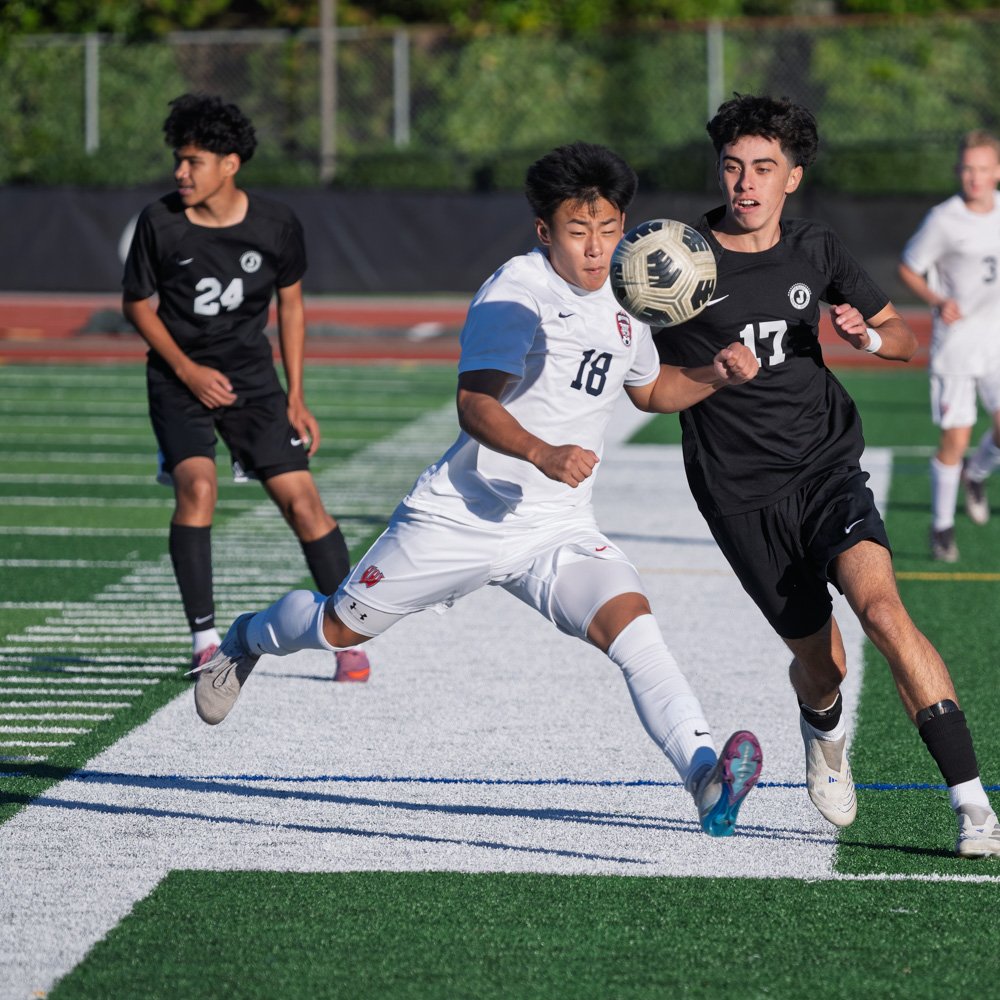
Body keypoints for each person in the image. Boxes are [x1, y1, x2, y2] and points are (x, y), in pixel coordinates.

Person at [191, 140, 765, 838]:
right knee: (340, 625)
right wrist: (541, 450)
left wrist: (715, 375)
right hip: (459, 520)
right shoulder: (515, 295)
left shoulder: (627, 293)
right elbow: (475, 405)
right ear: (543, 231)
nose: (595, 248)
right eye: (577, 232)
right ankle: (247, 641)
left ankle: (704, 776)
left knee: (637, 632)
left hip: (556, 527)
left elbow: (651, 390)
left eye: (608, 230)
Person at [653, 93, 1000, 857]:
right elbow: (649, 390)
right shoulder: (675, 263)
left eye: (764, 169)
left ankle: (974, 807)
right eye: (734, 167)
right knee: (823, 661)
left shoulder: (816, 249)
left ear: (793, 178)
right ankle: (824, 729)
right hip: (739, 493)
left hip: (825, 464)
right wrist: (710, 374)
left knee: (883, 611)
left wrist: (869, 338)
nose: (745, 183)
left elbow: (903, 337)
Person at [122, 93, 369, 682]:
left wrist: (295, 396)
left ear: (229, 164)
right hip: (179, 378)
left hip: (254, 381)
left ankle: (348, 636)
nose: (181, 173)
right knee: (198, 489)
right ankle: (205, 641)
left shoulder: (276, 223)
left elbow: (291, 309)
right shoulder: (159, 222)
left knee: (303, 501)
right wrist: (186, 370)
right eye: (178, 160)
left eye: (194, 161)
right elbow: (136, 306)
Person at [898, 130, 1000, 562]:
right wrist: (939, 301)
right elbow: (909, 267)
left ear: (996, 172)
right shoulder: (943, 219)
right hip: (956, 347)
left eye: (983, 169)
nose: (974, 177)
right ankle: (941, 527)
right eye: (967, 169)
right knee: (954, 440)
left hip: (995, 340)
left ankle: (975, 476)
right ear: (959, 172)